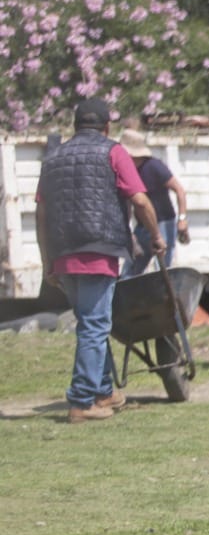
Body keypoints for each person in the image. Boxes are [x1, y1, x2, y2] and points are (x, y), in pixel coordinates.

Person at [35, 99, 165, 422]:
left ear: (75, 126)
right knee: (95, 326)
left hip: (63, 253)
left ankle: (104, 391)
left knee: (91, 322)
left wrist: (46, 260)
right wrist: (157, 236)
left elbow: (41, 213)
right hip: (99, 250)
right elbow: (139, 200)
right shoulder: (114, 151)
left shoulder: (52, 159)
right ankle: (81, 401)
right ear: (107, 127)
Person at [119, 129, 189, 278]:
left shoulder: (154, 166)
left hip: (163, 222)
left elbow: (180, 191)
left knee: (162, 269)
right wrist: (128, 231)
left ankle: (163, 298)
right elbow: (129, 203)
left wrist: (182, 219)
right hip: (143, 226)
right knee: (130, 270)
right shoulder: (126, 171)